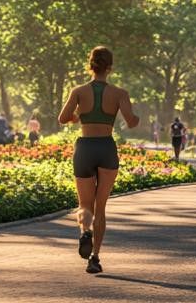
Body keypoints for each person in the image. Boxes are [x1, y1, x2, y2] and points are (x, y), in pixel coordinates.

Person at [58, 46, 140, 274]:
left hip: (85, 147)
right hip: (106, 147)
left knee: (85, 205)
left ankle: (85, 231)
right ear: (110, 67)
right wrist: (136, 117)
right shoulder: (119, 93)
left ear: (90, 65)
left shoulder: (78, 91)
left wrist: (78, 116)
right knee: (100, 207)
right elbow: (131, 121)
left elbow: (63, 118)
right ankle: (94, 258)